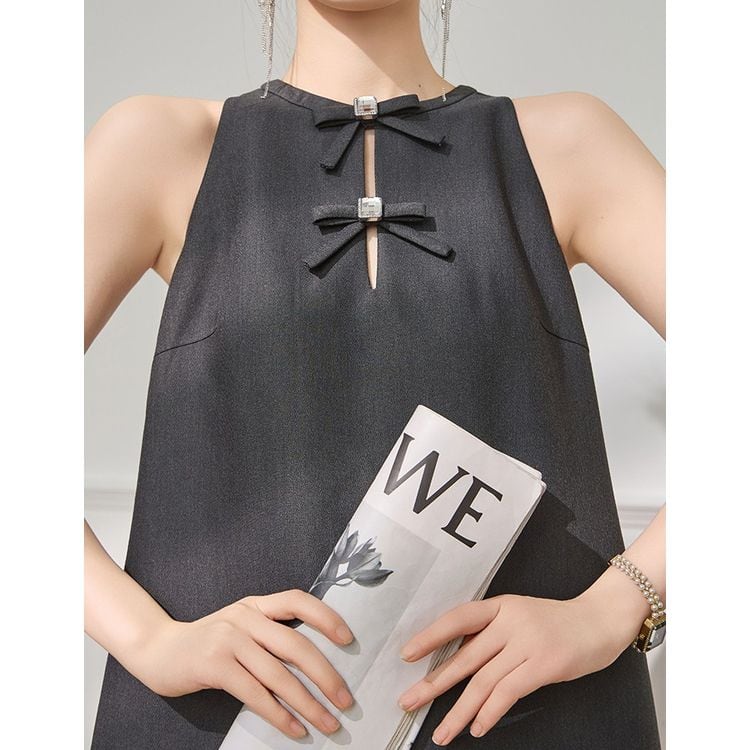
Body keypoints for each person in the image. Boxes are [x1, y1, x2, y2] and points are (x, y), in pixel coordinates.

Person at [84, 1, 666, 747]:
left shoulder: (570, 146)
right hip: (225, 718)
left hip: (529, 714)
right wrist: (147, 639)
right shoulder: (156, 148)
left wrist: (614, 608)